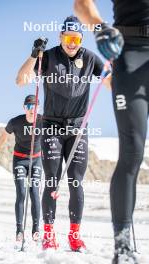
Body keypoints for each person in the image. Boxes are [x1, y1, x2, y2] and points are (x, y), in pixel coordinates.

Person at [16, 15, 111, 251]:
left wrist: (114, 65)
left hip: (78, 128)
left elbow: (109, 80)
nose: (72, 43)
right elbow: (21, 80)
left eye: (76, 38)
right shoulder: (48, 56)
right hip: (51, 127)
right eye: (68, 37)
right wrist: (33, 54)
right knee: (51, 180)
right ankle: (48, 234)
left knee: (76, 182)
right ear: (60, 37)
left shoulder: (89, 58)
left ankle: (74, 235)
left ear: (81, 39)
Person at [74, 0, 149, 263]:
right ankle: (123, 250)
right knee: (132, 151)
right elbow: (81, 4)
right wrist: (99, 28)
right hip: (130, 52)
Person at [0, 95, 43, 242]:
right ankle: (19, 230)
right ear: (24, 108)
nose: (31, 110)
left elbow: (56, 131)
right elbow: (3, 136)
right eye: (28, 107)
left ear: (38, 108)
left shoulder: (43, 121)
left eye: (34, 107)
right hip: (20, 160)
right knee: (21, 192)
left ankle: (35, 230)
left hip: (36, 160)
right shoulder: (16, 122)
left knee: (34, 192)